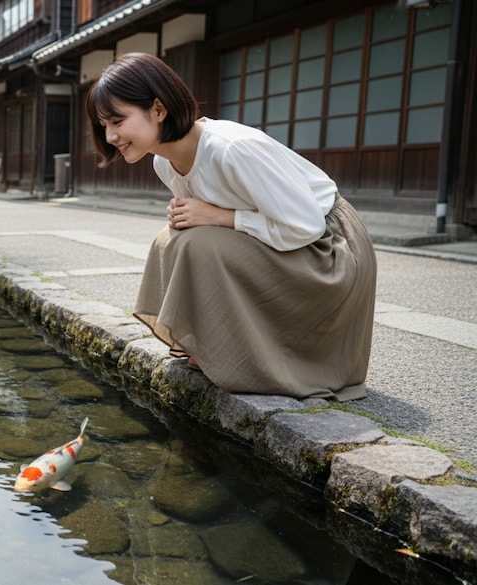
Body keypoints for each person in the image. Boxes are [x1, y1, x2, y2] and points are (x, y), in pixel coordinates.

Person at [85, 52, 376, 402]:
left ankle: (271, 360)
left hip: (331, 250)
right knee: (174, 239)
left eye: (117, 121)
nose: (110, 135)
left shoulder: (232, 149)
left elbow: (306, 226)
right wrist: (199, 217)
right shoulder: (164, 163)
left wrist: (219, 217)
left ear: (159, 110)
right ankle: (212, 347)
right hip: (294, 242)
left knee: (197, 244)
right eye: (104, 125)